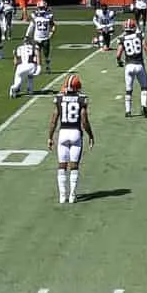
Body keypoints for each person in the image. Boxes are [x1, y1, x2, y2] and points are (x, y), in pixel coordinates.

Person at [52, 74, 94, 204]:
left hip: (63, 132)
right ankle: (72, 195)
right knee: (74, 165)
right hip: (75, 132)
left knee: (62, 165)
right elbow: (84, 120)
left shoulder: (59, 98)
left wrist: (50, 136)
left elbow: (53, 120)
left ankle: (62, 195)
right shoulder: (82, 99)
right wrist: (91, 135)